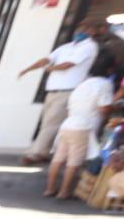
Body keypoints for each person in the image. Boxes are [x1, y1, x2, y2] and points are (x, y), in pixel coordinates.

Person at [19, 21, 103, 164]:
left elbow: (68, 65)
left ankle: (35, 153)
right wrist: (28, 69)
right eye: (79, 28)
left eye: (85, 29)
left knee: (51, 123)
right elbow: (47, 59)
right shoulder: (66, 47)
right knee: (47, 122)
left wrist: (49, 68)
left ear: (92, 32)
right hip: (52, 91)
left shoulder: (89, 46)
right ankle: (45, 152)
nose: (80, 31)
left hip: (67, 91)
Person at [46, 52, 116, 200]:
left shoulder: (83, 84)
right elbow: (104, 109)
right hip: (83, 127)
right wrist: (110, 111)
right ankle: (64, 191)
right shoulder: (105, 85)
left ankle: (50, 189)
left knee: (58, 158)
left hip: (68, 124)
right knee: (74, 161)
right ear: (110, 70)